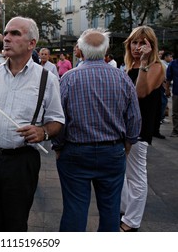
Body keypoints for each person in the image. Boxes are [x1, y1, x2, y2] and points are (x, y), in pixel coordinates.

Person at [0, 16, 65, 231]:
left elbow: (58, 121)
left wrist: (43, 132)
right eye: (6, 33)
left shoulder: (47, 79)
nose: (6, 38)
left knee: (15, 223)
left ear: (31, 43)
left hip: (21, 163)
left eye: (15, 34)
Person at [52, 28, 142, 232]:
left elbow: (60, 118)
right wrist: (127, 143)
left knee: (74, 209)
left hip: (75, 152)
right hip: (112, 151)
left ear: (80, 52)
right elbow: (134, 118)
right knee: (110, 210)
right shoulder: (122, 78)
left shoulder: (68, 78)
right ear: (105, 50)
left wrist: (58, 147)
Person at [120, 26, 165, 232]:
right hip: (125, 127)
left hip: (140, 129)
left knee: (136, 175)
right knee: (123, 173)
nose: (137, 47)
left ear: (151, 46)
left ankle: (132, 221)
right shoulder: (130, 66)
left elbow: (140, 93)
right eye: (135, 42)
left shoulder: (154, 66)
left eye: (142, 43)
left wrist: (145, 63)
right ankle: (125, 211)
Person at [166, 57, 178, 137]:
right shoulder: (173, 64)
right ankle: (176, 130)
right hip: (176, 92)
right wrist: (167, 89)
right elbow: (168, 78)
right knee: (176, 112)